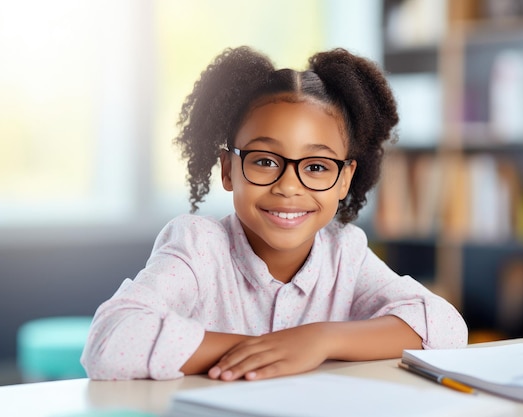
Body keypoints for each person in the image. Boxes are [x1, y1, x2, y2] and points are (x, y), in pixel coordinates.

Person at [81, 46, 467, 382]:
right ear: (229, 169)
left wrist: (319, 339)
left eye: (316, 166)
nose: (288, 186)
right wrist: (268, 350)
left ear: (345, 179)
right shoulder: (199, 246)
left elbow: (446, 326)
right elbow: (111, 339)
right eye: (265, 160)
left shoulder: (344, 252)